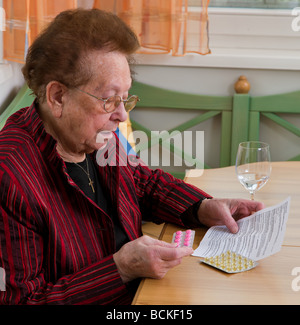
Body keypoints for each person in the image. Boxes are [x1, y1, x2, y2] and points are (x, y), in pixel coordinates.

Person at [0, 9, 264, 305]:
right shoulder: (10, 176)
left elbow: (143, 184)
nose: (122, 114)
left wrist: (202, 207)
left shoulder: (95, 135)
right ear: (58, 97)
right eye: (109, 100)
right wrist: (121, 268)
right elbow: (21, 301)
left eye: (125, 97)